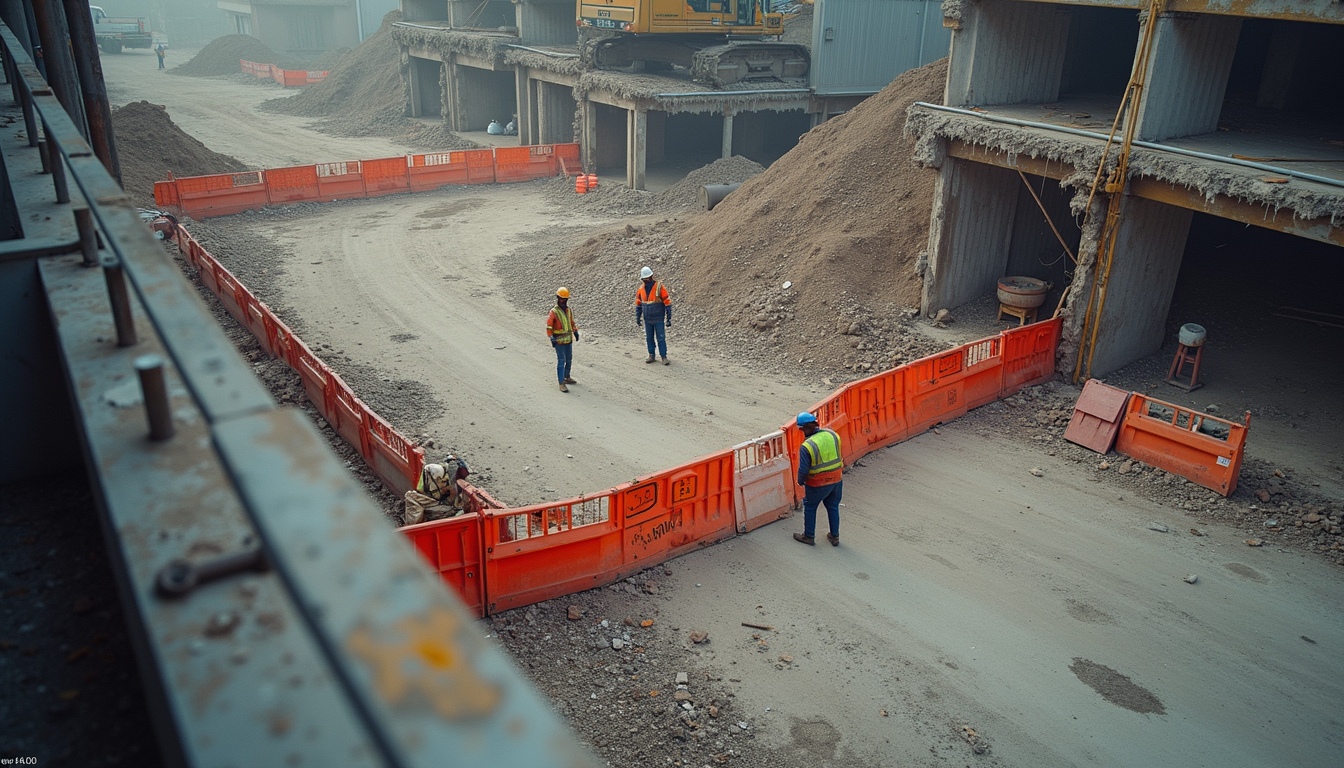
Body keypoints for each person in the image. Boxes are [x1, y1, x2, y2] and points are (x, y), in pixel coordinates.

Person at [793, 412, 843, 547]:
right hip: (837, 479)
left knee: (810, 506)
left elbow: (803, 470)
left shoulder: (807, 446)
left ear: (803, 428)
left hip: (818, 483)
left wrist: (800, 481)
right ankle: (834, 536)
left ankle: (809, 536)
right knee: (833, 506)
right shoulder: (832, 435)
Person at [403, 454, 470, 525]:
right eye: (443, 482)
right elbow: (413, 527)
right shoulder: (415, 499)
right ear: (431, 483)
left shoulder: (446, 497)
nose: (446, 486)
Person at [634, 266, 672, 365]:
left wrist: (668, 317)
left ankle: (664, 356)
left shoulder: (659, 286)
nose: (646, 279)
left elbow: (667, 301)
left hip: (658, 318)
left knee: (661, 337)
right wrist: (638, 316)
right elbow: (638, 303)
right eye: (645, 278)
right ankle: (651, 355)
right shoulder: (641, 289)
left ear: (651, 276)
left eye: (648, 277)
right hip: (647, 318)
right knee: (649, 337)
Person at [547, 286, 579, 392]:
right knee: (561, 361)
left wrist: (575, 331)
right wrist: (551, 337)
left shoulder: (568, 311)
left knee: (569, 359)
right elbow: (549, 327)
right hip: (559, 341)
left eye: (564, 299)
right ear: (557, 298)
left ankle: (566, 377)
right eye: (561, 299)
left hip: (568, 340)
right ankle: (561, 383)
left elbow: (571, 322)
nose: (563, 301)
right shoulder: (554, 312)